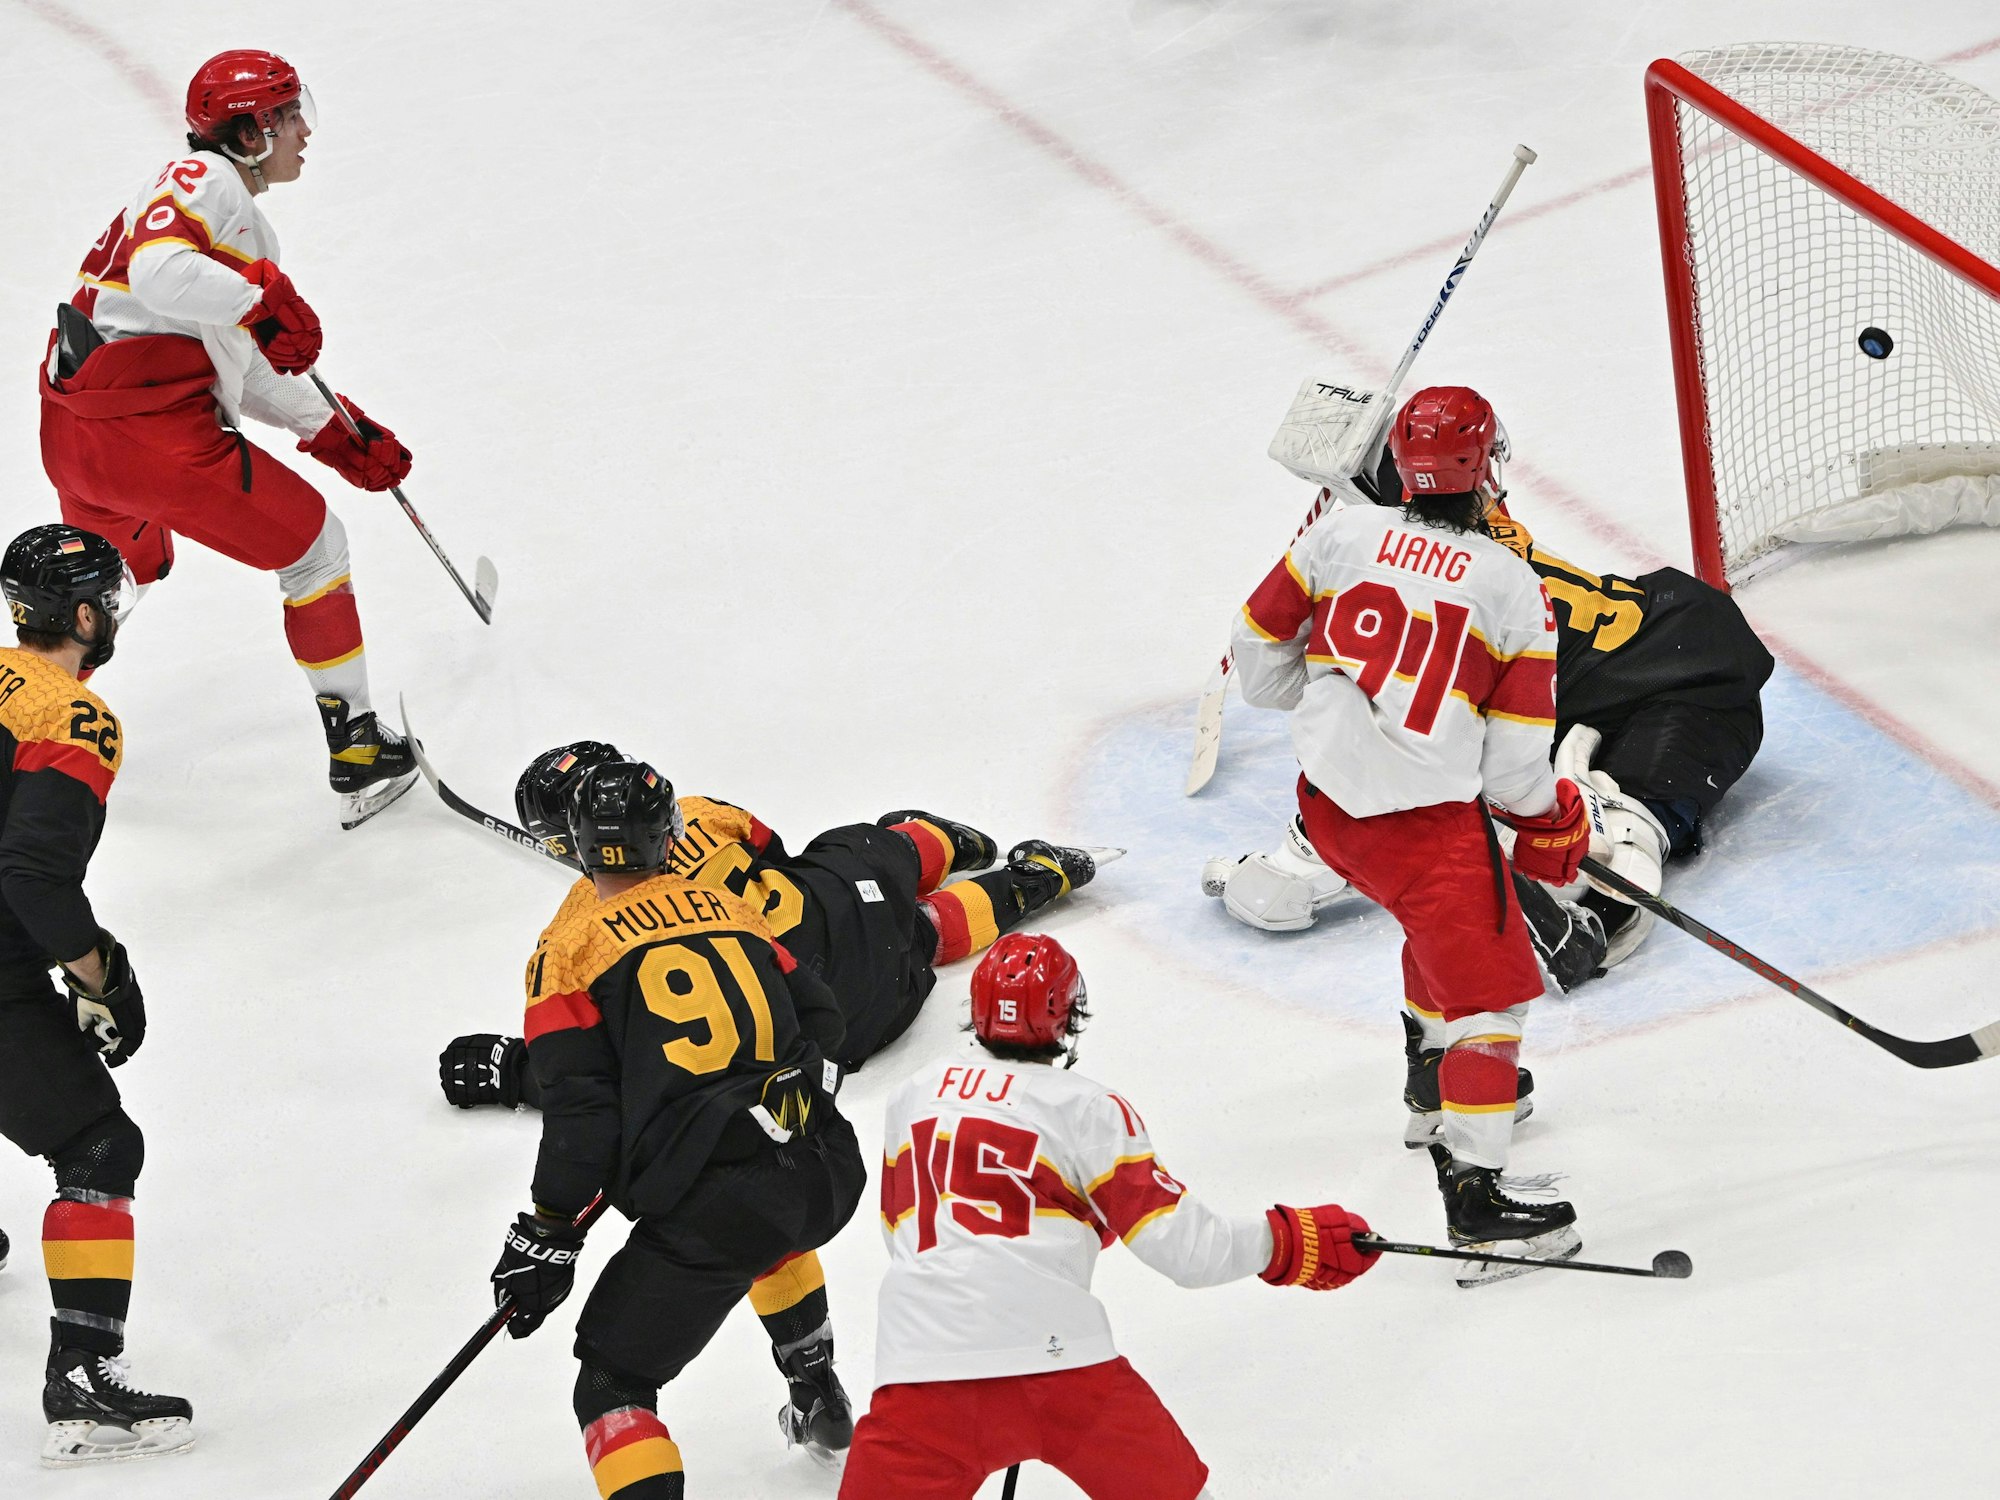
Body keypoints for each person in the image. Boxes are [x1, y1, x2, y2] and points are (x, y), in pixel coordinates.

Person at [441, 742, 1111, 1464]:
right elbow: (781, 875)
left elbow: (591, 1096)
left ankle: (996, 875)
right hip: (826, 1055)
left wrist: (540, 1193)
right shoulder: (710, 845)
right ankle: (1000, 865)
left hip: (766, 1116)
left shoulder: (571, 939)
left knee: (625, 1369)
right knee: (884, 871)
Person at [1229, 386, 1592, 1277]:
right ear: (1484, 469)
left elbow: (1255, 651)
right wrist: (1555, 821)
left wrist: (1316, 703)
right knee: (1493, 997)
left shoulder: (1338, 535)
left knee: (1428, 929)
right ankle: (1477, 1202)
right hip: (1424, 831)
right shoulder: (1513, 588)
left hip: (1327, 814)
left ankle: (1431, 1085)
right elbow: (1511, 776)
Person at [838, 932, 1378, 1499]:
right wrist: (1290, 1241)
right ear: (1067, 1014)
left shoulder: (913, 1095)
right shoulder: (1086, 1107)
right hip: (1062, 1368)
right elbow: (1188, 1251)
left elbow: (907, 1232)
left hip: (922, 1370)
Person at [1207, 444, 1772, 971]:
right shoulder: (1493, 559)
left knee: (1392, 710)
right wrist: (1541, 819)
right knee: (1718, 714)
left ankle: (1309, 850)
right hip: (1646, 645)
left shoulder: (1351, 547)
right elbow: (1512, 744)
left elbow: (1278, 649)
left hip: (1614, 668)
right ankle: (1623, 844)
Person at [37, 49, 418, 829]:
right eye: (286, 115)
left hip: (72, 431)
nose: (303, 128)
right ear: (249, 133)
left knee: (102, 588)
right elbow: (161, 276)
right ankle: (358, 751)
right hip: (152, 443)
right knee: (316, 548)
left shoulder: (180, 189)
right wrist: (258, 300)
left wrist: (332, 429)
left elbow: (227, 362)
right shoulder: (214, 189)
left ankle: (23, 721)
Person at [487, 758, 866, 1496]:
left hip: (721, 1207)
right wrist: (775, 1093)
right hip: (826, 1170)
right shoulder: (728, 908)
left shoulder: (568, 949)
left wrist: (550, 1230)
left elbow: (583, 1115)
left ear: (574, 841)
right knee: (772, 1231)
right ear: (670, 837)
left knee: (613, 1386)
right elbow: (823, 1019)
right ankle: (818, 1387)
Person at [0, 525, 192, 1465]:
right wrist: (99, 974)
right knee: (100, 1143)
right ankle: (81, 1372)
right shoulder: (72, 715)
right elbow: (32, 877)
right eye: (106, 601)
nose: (111, 614)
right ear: (81, 615)